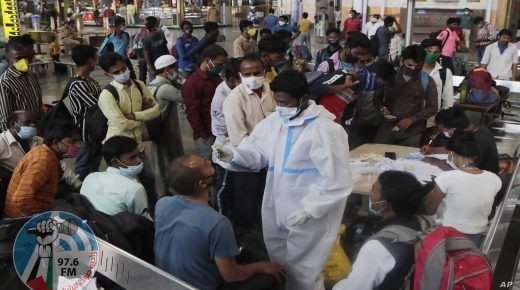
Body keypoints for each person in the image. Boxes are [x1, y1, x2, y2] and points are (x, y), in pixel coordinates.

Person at [214, 70, 352, 290]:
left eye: (285, 102)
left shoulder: (326, 130)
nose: (280, 107)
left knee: (305, 271)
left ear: (303, 99)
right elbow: (257, 152)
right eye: (277, 101)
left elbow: (336, 181)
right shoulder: (276, 122)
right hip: (275, 207)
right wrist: (234, 155)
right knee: (279, 262)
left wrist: (309, 210)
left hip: (307, 214)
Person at [154, 155, 286, 290]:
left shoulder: (162, 204)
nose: (210, 162)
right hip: (198, 287)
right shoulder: (217, 223)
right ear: (202, 184)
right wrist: (262, 266)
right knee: (271, 277)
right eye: (206, 164)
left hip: (167, 281)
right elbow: (231, 275)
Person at [333, 171, 430, 290]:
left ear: (383, 205)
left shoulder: (378, 247)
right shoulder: (426, 223)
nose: (370, 192)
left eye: (373, 189)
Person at [97, 52, 161, 212]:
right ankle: (127, 217)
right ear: (107, 74)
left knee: (148, 179)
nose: (122, 73)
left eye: (123, 68)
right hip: (117, 149)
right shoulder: (107, 95)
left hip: (138, 146)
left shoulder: (139, 85)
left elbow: (157, 110)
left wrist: (135, 115)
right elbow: (122, 123)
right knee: (125, 187)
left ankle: (152, 212)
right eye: (116, 72)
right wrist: (144, 116)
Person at [220, 56, 276, 230]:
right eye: (247, 74)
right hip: (249, 164)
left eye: (257, 73)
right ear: (240, 75)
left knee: (269, 207)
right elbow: (240, 139)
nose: (252, 77)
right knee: (249, 209)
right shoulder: (235, 99)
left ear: (264, 72)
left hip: (274, 161)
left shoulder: (272, 92)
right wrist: (264, 158)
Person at [424, 131, 501, 247]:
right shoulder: (494, 179)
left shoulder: (446, 178)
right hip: (477, 239)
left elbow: (430, 210)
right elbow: (489, 213)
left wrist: (430, 195)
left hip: (449, 238)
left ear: (452, 153)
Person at [4, 121, 81, 217]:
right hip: (22, 220)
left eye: (79, 141)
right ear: (56, 143)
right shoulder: (43, 161)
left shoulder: (47, 154)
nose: (78, 145)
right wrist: (49, 216)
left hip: (34, 211)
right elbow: (20, 201)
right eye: (73, 141)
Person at [374, 45, 438, 147]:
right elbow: (376, 98)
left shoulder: (427, 81)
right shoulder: (389, 75)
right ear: (402, 60)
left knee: (408, 161)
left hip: (412, 132)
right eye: (409, 65)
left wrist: (412, 119)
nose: (413, 69)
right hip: (386, 130)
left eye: (418, 66)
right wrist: (382, 109)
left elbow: (433, 107)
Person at [81, 136, 152, 219]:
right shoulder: (135, 189)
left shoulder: (90, 178)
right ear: (114, 162)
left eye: (138, 155)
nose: (139, 160)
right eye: (132, 157)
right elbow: (144, 221)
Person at [182, 45, 228, 160]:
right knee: (208, 164)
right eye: (219, 64)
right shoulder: (192, 83)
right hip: (206, 134)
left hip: (219, 130)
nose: (221, 67)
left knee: (222, 160)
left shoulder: (216, 78)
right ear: (207, 61)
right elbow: (193, 113)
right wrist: (203, 135)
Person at [422, 107, 500, 174]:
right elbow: (452, 149)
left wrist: (435, 162)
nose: (442, 133)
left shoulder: (478, 139)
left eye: (444, 130)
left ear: (453, 130)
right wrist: (432, 150)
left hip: (481, 180)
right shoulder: (474, 129)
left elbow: (464, 170)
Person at [148, 55, 184, 197]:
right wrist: (181, 79)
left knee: (161, 163)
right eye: (175, 68)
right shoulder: (165, 88)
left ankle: (164, 194)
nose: (177, 71)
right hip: (168, 131)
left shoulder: (151, 84)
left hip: (157, 130)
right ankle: (171, 193)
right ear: (168, 69)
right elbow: (186, 97)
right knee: (172, 162)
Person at [69, 44, 102, 180]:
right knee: (82, 168)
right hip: (84, 136)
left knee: (94, 166)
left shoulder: (91, 81)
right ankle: (80, 195)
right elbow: (98, 104)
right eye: (96, 58)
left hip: (95, 133)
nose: (97, 61)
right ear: (90, 61)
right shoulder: (77, 84)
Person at [210, 58, 241, 207]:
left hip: (235, 147)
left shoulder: (233, 90)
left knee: (232, 187)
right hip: (225, 148)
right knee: (222, 187)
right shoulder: (222, 97)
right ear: (232, 79)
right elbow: (227, 130)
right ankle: (219, 213)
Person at [0, 34, 42, 131]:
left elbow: (38, 106)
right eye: (19, 58)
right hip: (20, 134)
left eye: (27, 58)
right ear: (9, 57)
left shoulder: (31, 76)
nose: (24, 62)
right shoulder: (5, 83)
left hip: (36, 131)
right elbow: (5, 121)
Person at [420, 38, 454, 141]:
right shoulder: (414, 69)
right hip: (413, 119)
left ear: (440, 53)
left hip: (432, 122)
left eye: (435, 52)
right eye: (429, 51)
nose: (431, 54)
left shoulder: (444, 73)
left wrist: (442, 123)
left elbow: (448, 100)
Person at [142, 16, 169, 82]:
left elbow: (165, 47)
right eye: (156, 25)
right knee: (154, 82)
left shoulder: (161, 33)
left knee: (165, 80)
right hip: (154, 65)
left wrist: (169, 58)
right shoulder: (147, 39)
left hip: (163, 62)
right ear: (152, 27)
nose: (157, 26)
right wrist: (150, 68)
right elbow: (146, 54)